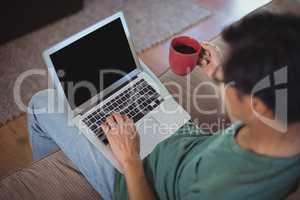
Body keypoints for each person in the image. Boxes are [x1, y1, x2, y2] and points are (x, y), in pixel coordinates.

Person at [28, 12, 300, 200]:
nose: (228, 81)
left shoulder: (225, 188)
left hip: (135, 177)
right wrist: (219, 73)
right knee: (133, 72)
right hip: (184, 138)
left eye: (235, 79)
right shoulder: (284, 124)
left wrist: (130, 160)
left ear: (259, 106)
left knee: (41, 103)